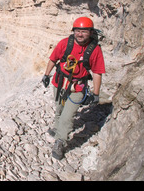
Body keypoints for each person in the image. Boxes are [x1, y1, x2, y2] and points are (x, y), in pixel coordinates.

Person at [42, 17, 106, 160]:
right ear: (73, 31)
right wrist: (46, 75)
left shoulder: (94, 50)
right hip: (60, 83)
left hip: (78, 87)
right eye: (78, 31)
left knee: (67, 116)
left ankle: (60, 141)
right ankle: (57, 128)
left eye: (84, 31)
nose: (80, 34)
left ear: (90, 32)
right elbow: (53, 59)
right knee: (59, 109)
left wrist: (96, 94)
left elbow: (97, 72)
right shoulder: (65, 43)